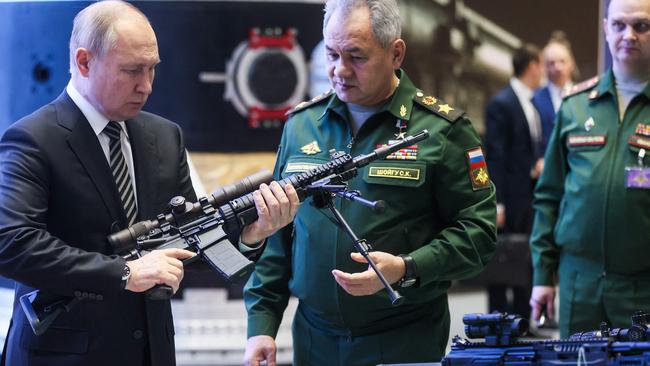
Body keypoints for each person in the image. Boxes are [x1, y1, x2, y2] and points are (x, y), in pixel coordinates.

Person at [0, 1, 299, 365]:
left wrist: (253, 233)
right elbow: (11, 243)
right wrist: (125, 272)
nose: (146, 85)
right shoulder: (33, 138)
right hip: (62, 354)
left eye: (152, 69)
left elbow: (191, 239)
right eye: (131, 70)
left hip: (149, 352)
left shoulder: (163, 135)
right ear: (83, 62)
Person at [243, 1, 497, 365]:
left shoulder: (443, 131)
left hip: (404, 340)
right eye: (331, 54)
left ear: (396, 54)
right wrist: (261, 326)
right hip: (315, 341)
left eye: (356, 57)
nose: (339, 70)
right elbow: (278, 236)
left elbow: (479, 234)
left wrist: (408, 267)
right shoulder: (302, 125)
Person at [529, 0, 650, 338]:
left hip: (642, 288)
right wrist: (542, 277)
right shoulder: (575, 106)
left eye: (641, 26)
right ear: (606, 28)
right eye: (620, 25)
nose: (629, 35)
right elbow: (549, 196)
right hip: (578, 285)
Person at [483, 44, 544, 317]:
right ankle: (498, 320)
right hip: (507, 198)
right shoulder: (502, 103)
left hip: (526, 197)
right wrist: (497, 203)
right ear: (532, 65)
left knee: (522, 258)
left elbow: (522, 152)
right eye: (541, 64)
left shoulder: (531, 103)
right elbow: (495, 157)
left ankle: (522, 318)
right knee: (502, 257)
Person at [532, 35, 577, 152]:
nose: (557, 67)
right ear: (544, 67)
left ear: (571, 64)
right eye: (551, 63)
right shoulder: (534, 98)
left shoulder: (583, 96)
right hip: (545, 164)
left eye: (562, 61)